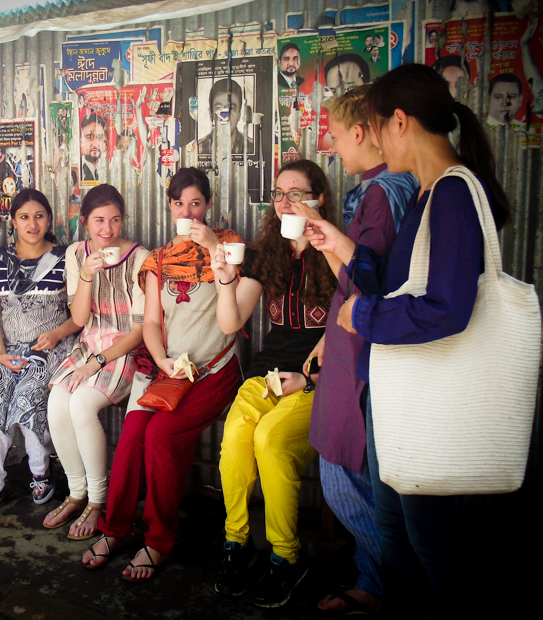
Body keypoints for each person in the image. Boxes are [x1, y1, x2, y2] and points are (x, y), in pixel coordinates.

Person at [305, 63, 510, 618]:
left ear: (399, 122)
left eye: (374, 127)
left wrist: (362, 315)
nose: (370, 141)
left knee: (431, 546)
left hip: (429, 403)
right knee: (396, 532)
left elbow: (445, 308)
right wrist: (338, 248)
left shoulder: (451, 196)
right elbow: (399, 284)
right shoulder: (424, 196)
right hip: (404, 395)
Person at [81, 167, 243, 582]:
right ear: (169, 207)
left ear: (208, 205)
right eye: (179, 204)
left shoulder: (228, 245)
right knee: (135, 429)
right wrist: (162, 359)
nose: (188, 211)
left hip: (216, 369)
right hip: (173, 373)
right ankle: (114, 529)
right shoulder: (156, 261)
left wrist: (210, 247)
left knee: (161, 434)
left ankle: (157, 540)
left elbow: (232, 312)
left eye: (196, 203)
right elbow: (151, 323)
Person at [301, 88, 418, 615]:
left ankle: (394, 584)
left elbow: (369, 282)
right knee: (356, 470)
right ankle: (378, 579)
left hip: (370, 349)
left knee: (345, 472)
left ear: (362, 133)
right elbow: (354, 276)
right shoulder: (385, 189)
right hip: (355, 340)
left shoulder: (384, 193)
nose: (329, 144)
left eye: (334, 132)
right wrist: (329, 242)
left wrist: (332, 240)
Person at [209, 159, 337, 608]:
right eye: (279, 194)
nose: (284, 203)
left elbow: (355, 330)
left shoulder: (337, 252)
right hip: (267, 375)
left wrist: (306, 378)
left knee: (271, 440)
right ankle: (236, 544)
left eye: (296, 194)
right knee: (238, 435)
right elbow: (230, 322)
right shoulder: (268, 255)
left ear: (318, 199)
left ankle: (286, 556)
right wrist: (226, 279)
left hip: (318, 382)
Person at [0, 189, 80, 518]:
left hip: (54, 345)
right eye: (25, 217)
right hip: (9, 349)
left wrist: (57, 334)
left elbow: (79, 315)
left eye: (39, 216)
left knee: (28, 394)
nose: (33, 224)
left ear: (50, 220)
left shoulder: (65, 258)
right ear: (13, 222)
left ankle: (41, 474)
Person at [44, 184, 146, 540]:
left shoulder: (138, 258)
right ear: (84, 221)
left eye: (115, 220)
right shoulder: (75, 254)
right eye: (99, 220)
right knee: (57, 404)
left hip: (124, 351)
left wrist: (99, 361)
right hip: (87, 344)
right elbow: (79, 316)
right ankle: (76, 493)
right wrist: (87, 274)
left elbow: (140, 332)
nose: (107, 229)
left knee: (82, 405)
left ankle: (98, 502)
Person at [199, 77, 247, 158]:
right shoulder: (199, 148)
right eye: (219, 108)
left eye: (231, 108)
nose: (225, 115)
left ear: (239, 113)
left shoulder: (251, 147)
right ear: (210, 114)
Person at [79, 113, 107, 184]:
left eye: (99, 137)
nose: (95, 144)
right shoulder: (77, 171)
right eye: (89, 137)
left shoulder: (109, 170)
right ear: (80, 140)